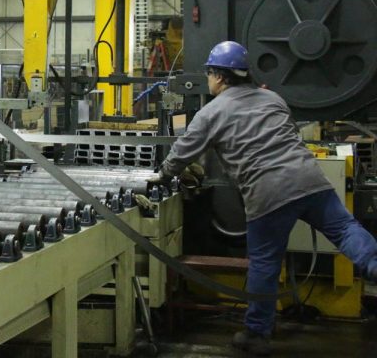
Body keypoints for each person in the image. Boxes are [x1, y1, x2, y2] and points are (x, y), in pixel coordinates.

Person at [148, 40, 377, 356]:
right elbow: (287, 133)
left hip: (268, 193)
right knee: (345, 229)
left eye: (210, 73)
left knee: (265, 264)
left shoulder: (211, 112)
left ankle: (257, 334)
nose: (209, 79)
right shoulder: (273, 98)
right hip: (310, 179)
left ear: (219, 76)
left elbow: (182, 152)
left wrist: (162, 175)